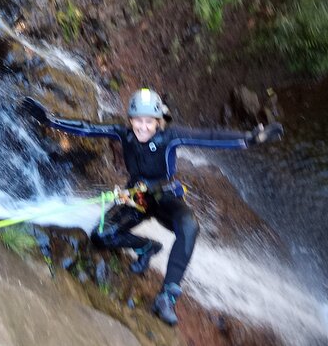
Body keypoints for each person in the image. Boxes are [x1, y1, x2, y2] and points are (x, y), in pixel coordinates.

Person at [22, 88, 283, 325]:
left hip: (165, 197)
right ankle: (146, 247)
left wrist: (250, 139)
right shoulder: (123, 134)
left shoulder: (170, 137)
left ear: (158, 122)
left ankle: (167, 296)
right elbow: (88, 128)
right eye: (138, 120)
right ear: (131, 120)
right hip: (137, 197)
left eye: (149, 121)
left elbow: (208, 137)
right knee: (101, 235)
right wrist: (50, 120)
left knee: (189, 226)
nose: (143, 127)